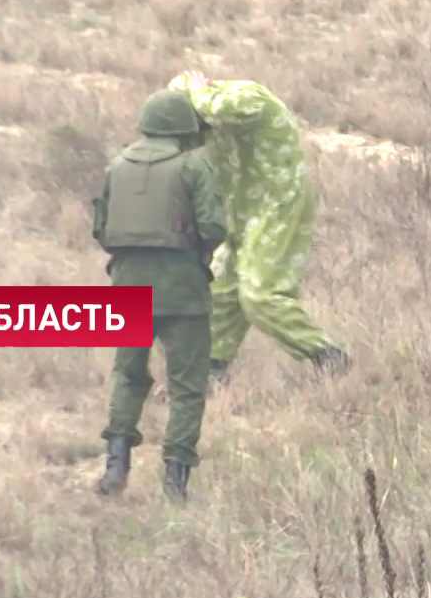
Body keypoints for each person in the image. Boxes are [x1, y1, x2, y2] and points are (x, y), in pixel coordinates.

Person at [91, 88, 229, 503]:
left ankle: (115, 464)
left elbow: (101, 230)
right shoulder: (193, 167)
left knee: (128, 374)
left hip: (128, 283)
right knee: (187, 385)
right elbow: (214, 228)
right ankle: (175, 481)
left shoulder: (117, 167)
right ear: (185, 129)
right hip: (182, 286)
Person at [167, 71, 351, 382]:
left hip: (278, 209)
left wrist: (198, 90)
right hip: (239, 213)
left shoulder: (247, 97)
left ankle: (327, 355)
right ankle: (210, 372)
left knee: (259, 295)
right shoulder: (210, 121)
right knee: (218, 292)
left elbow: (222, 109)